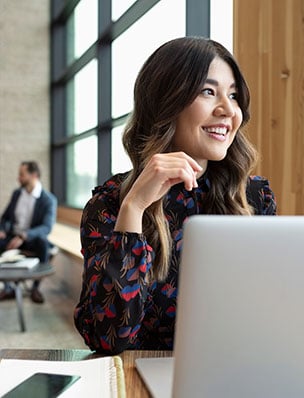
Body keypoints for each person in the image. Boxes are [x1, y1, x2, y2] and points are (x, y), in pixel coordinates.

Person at [74, 36, 277, 354]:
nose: (227, 110)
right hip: (142, 378)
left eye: (234, 95)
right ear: (167, 101)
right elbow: (107, 337)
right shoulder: (111, 204)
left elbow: (268, 316)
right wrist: (135, 208)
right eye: (208, 92)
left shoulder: (254, 198)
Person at [0, 161, 57, 303]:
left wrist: (24, 236)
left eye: (21, 175)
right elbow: (5, 217)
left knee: (43, 244)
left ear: (34, 175)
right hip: (12, 237)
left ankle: (35, 288)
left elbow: (46, 227)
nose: (18, 178)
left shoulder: (48, 200)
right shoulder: (17, 194)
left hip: (31, 239)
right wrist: (1, 229)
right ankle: (8, 287)